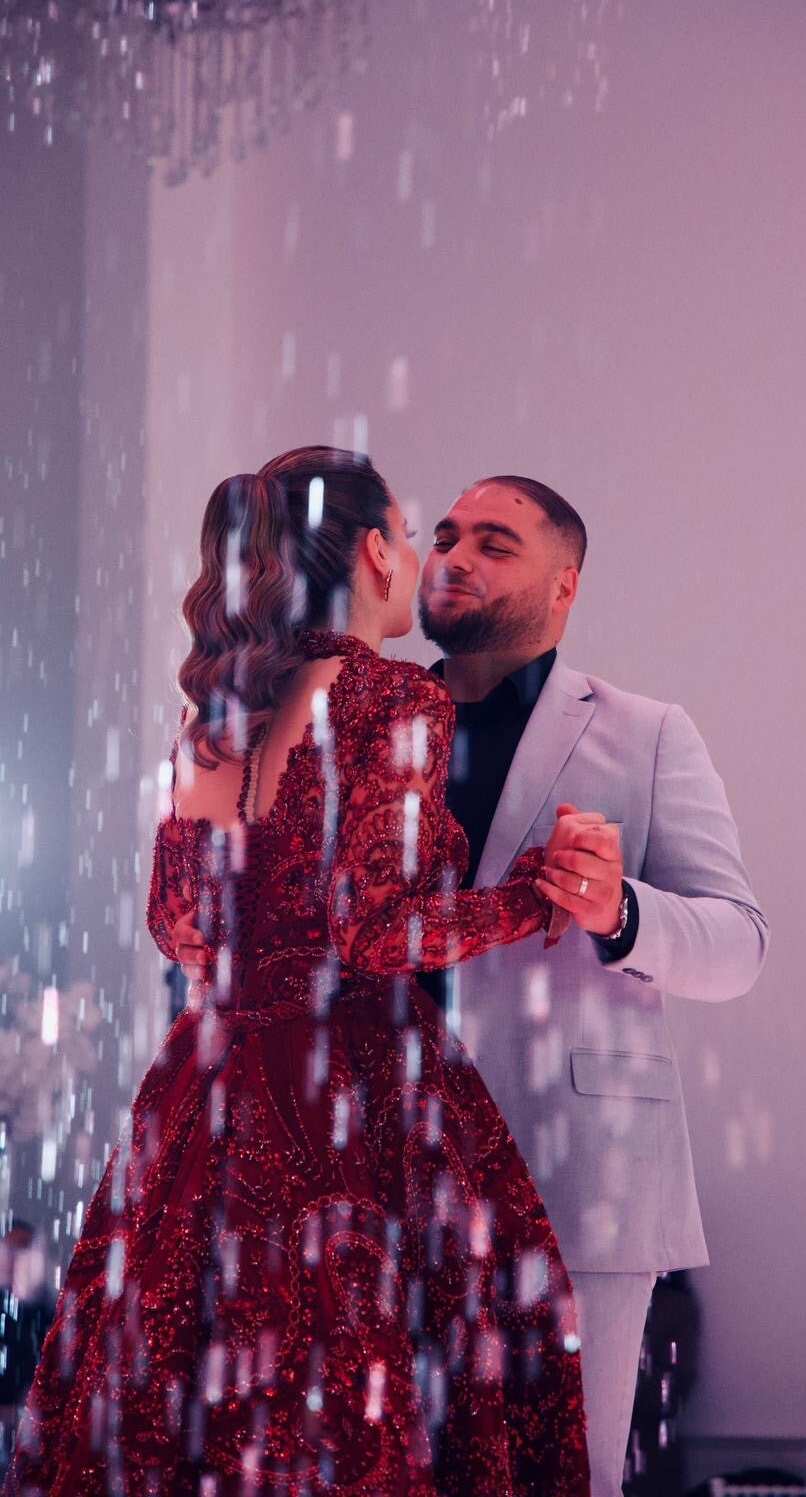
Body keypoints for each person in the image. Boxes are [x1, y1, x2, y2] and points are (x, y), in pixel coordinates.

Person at [4, 448, 590, 1497]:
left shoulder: (212, 716)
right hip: (351, 1086)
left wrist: (264, 960)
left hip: (208, 1082)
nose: (421, 557)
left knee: (186, 1366)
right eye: (409, 533)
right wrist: (529, 897)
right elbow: (376, 933)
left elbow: (176, 925)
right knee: (385, 1369)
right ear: (374, 553)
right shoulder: (390, 698)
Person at [173, 471, 770, 1497]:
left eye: (495, 544)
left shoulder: (647, 732)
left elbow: (738, 943)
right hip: (363, 1171)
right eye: (443, 536)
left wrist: (619, 911)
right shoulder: (345, 706)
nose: (453, 558)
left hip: (578, 1174)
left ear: (565, 584)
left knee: (562, 1474)